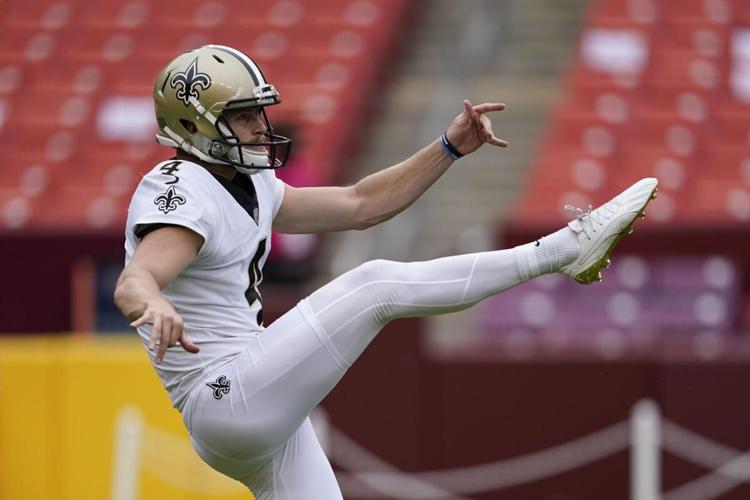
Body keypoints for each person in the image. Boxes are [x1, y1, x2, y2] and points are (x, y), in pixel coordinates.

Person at [114, 44, 658, 499]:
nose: (260, 125)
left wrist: (448, 148)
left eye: (258, 112)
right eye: (242, 115)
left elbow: (359, 204)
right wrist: (154, 301)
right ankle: (561, 251)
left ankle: (562, 253)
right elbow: (135, 279)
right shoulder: (183, 189)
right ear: (193, 125)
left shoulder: (247, 181)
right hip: (226, 397)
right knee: (375, 284)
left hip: (258, 399)